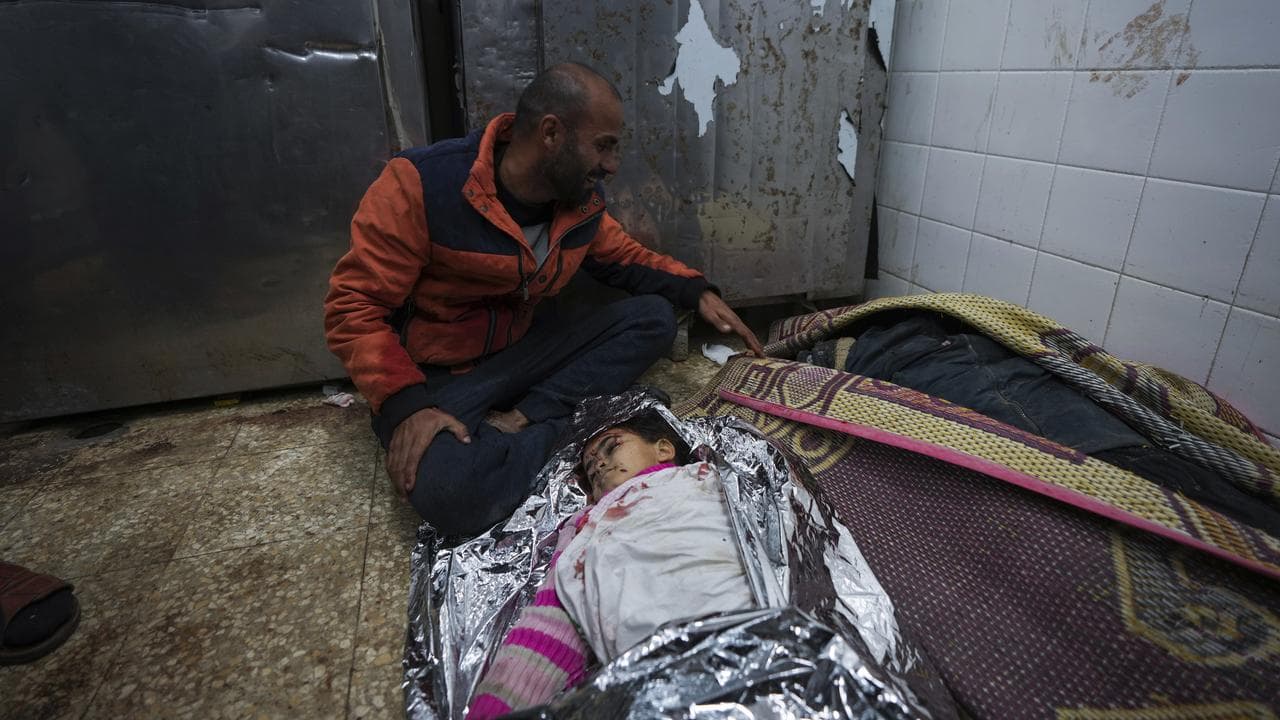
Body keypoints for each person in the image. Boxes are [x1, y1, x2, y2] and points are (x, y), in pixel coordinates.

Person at [324, 62, 763, 536]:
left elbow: (624, 257)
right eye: (604, 145)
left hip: (525, 356)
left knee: (654, 318)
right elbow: (354, 307)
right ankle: (574, 429)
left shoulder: (579, 203)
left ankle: (525, 420)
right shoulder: (419, 184)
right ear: (552, 133)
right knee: (454, 495)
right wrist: (407, 407)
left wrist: (696, 291)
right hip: (441, 381)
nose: (612, 166)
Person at [467, 410, 756, 719]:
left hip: (753, 637)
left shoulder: (706, 478)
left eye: (611, 447)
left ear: (663, 449)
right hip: (666, 681)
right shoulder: (587, 529)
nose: (600, 465)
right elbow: (547, 632)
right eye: (590, 472)